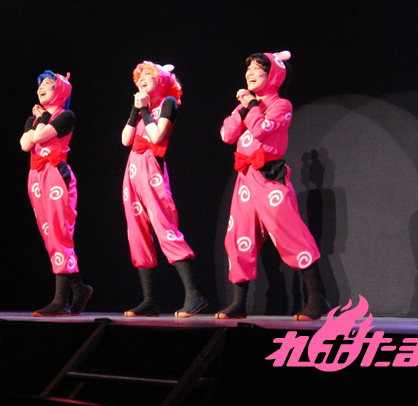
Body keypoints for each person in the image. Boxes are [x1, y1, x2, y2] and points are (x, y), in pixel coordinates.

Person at [217, 51, 329, 321]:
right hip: (245, 177)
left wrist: (251, 105)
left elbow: (260, 129)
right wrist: (244, 107)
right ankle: (239, 303)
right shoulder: (246, 105)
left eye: (258, 68)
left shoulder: (282, 105)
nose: (250, 73)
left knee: (289, 232)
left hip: (270, 176)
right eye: (249, 69)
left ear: (274, 75)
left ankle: (317, 299)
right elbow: (227, 135)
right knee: (238, 235)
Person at [121, 61, 208, 318]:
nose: (142, 78)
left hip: (151, 168)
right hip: (132, 170)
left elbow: (157, 136)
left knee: (164, 226)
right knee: (137, 232)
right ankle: (149, 301)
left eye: (148, 75)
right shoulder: (142, 108)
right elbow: (125, 139)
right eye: (140, 76)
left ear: (161, 80)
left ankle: (194, 294)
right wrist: (136, 109)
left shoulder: (168, 102)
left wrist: (144, 109)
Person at [20, 70, 92, 317]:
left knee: (59, 233)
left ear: (60, 90)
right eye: (40, 84)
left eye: (48, 84)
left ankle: (61, 301)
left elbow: (40, 137)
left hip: (56, 175)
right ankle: (79, 288)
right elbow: (25, 145)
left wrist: (42, 118)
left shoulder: (65, 116)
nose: (41, 88)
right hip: (36, 177)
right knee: (50, 236)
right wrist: (38, 119)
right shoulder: (35, 118)